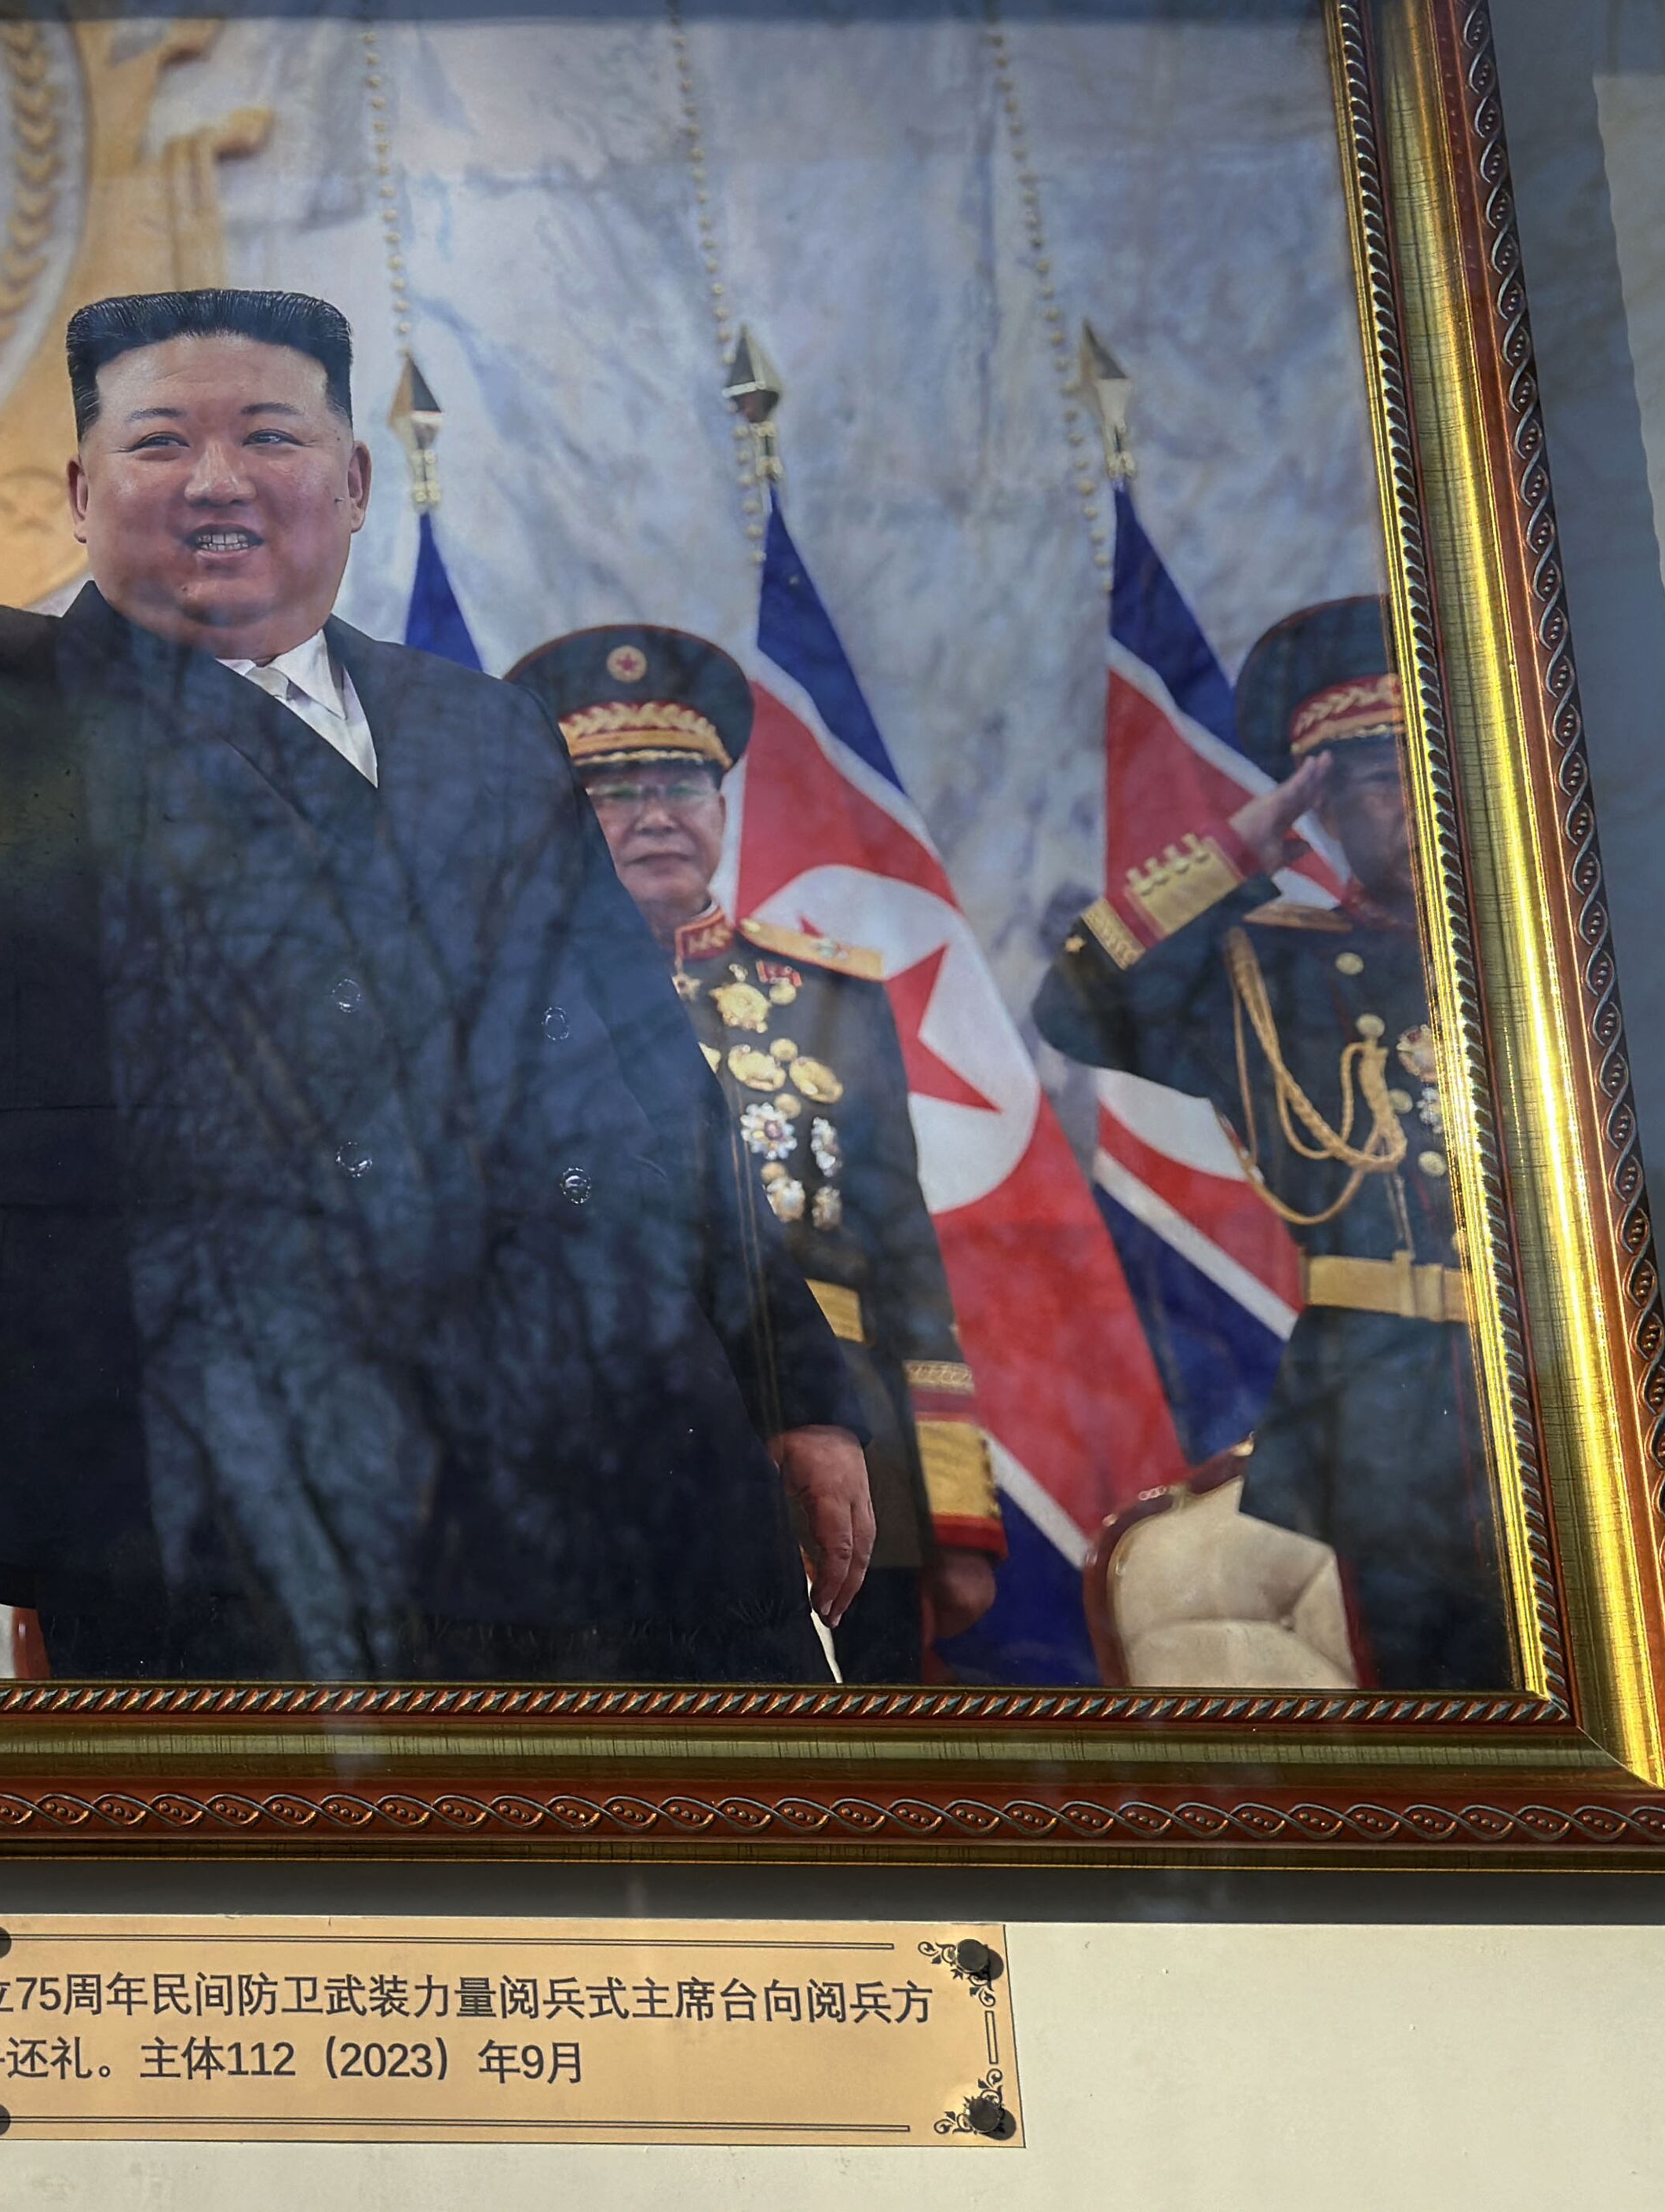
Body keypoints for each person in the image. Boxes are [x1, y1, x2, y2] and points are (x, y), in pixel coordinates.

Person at [0, 179, 867, 1683]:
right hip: (216, 1478)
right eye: (160, 441)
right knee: (290, 1906)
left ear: (357, 479)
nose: (215, 477)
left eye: (271, 435)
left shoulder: (483, 727)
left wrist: (792, 1383)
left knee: (684, 1888)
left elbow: (649, 1077)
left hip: (620, 1431)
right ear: (77, 491)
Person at [506, 623, 1006, 1687]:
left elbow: (906, 1263)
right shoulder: (517, 1004)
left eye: (682, 786)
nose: (654, 817)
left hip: (843, 1442)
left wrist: (956, 1511)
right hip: (618, 1437)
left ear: (723, 807)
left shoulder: (830, 997)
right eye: (612, 789)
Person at [1032, 595, 1504, 1687]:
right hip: (1384, 1400)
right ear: (1326, 804)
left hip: (1564, 1369)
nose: (1416, 797)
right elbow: (1079, 1004)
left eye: (1431, 763)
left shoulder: (1542, 960)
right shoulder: (1269, 968)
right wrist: (1246, 840)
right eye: (1380, 776)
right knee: (1441, 1699)